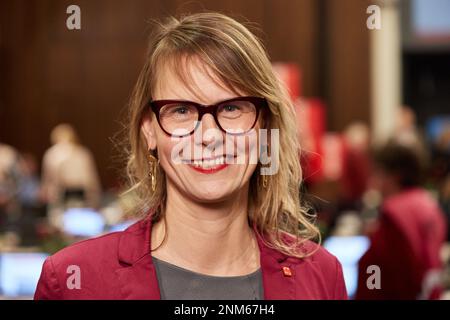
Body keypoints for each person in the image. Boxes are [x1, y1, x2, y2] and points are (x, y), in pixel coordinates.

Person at [35, 12, 347, 300]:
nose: (209, 135)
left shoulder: (321, 275)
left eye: (231, 107)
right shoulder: (73, 280)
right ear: (149, 130)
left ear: (263, 126)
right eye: (182, 110)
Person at [356, 142, 447, 299]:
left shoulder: (394, 213)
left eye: (378, 173)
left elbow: (376, 268)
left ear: (395, 175)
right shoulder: (429, 204)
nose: (374, 182)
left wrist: (370, 284)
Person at [40, 124, 101, 228]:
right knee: (79, 226)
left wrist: (45, 192)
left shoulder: (52, 153)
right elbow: (91, 179)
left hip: (62, 193)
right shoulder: (83, 153)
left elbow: (47, 180)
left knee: (61, 226)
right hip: (76, 193)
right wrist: (95, 198)